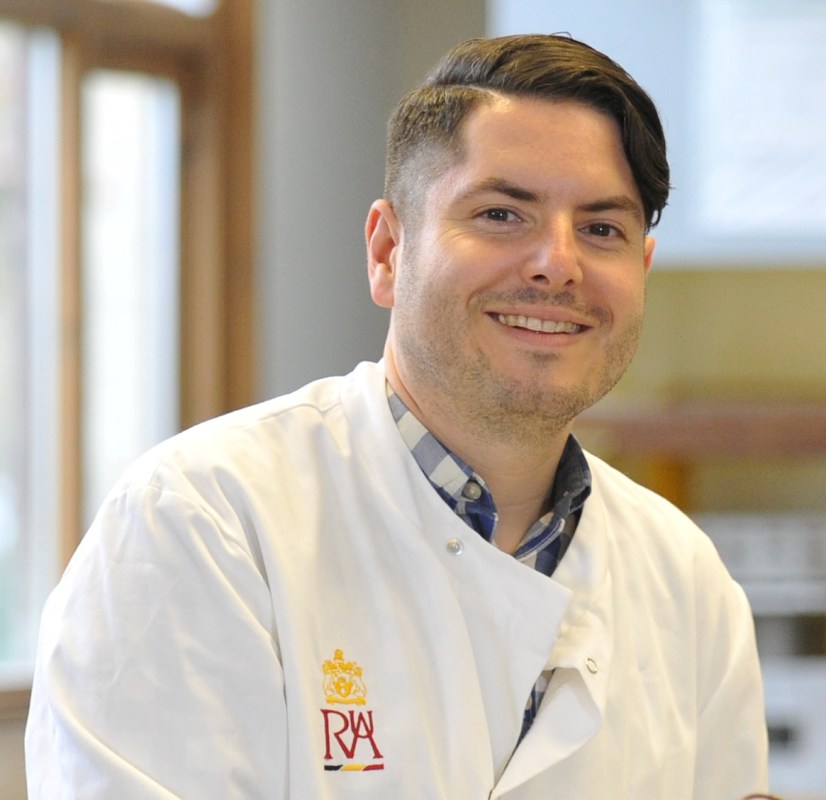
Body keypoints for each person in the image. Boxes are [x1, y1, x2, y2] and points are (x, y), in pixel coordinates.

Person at [25, 33, 769, 799]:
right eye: (502, 214)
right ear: (387, 251)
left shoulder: (686, 580)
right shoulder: (203, 523)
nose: (557, 263)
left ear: (640, 272)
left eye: (601, 229)